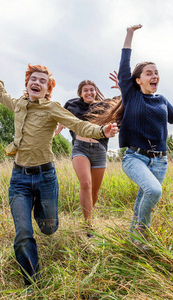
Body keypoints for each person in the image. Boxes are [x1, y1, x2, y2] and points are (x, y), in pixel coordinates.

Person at [0, 53, 118, 286]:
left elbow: (77, 124)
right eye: (33, 79)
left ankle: (40, 213)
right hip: (20, 178)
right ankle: (31, 282)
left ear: (48, 89)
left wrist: (100, 132)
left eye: (42, 81)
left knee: (48, 227)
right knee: (24, 233)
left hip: (46, 177)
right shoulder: (18, 105)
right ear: (27, 84)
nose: (36, 82)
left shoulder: (52, 108)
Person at [94, 25, 173, 250]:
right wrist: (129, 34)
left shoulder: (162, 100)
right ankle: (142, 238)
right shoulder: (131, 94)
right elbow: (124, 64)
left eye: (156, 72)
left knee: (145, 199)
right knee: (153, 191)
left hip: (161, 161)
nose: (154, 76)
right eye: (149, 73)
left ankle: (133, 240)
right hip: (136, 158)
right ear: (139, 79)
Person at [55, 80, 111, 237]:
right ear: (80, 93)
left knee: (94, 191)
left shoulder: (103, 105)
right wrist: (60, 124)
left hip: (99, 149)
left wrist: (123, 86)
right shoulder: (71, 104)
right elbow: (60, 114)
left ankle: (88, 216)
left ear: (95, 91)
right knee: (85, 184)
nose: (89, 93)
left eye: (91, 90)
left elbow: (123, 103)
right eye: (85, 90)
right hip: (80, 147)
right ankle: (88, 226)